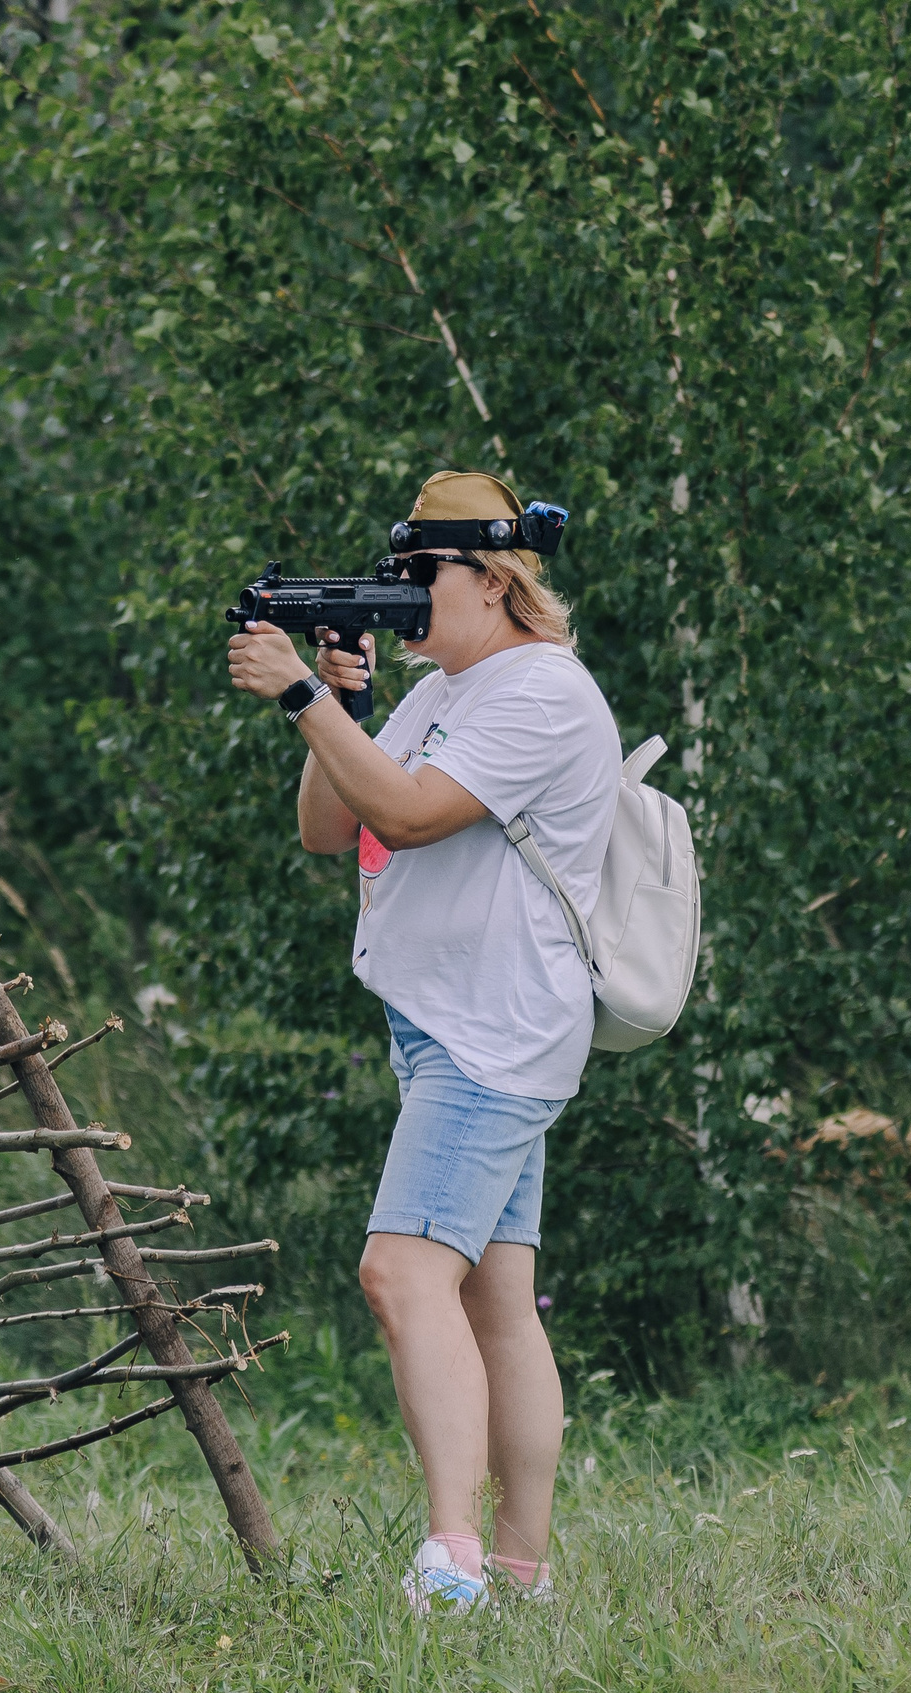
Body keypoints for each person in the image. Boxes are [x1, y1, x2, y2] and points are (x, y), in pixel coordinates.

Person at [225, 471, 620, 1611]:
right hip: (455, 1025)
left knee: (399, 1274)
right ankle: (521, 1569)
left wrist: (303, 689)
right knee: (496, 1299)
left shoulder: (535, 692)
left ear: (492, 580)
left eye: (420, 578)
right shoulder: (450, 686)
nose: (403, 599)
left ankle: (449, 1556)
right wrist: (332, 703)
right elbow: (326, 825)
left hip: (492, 1033)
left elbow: (406, 815)